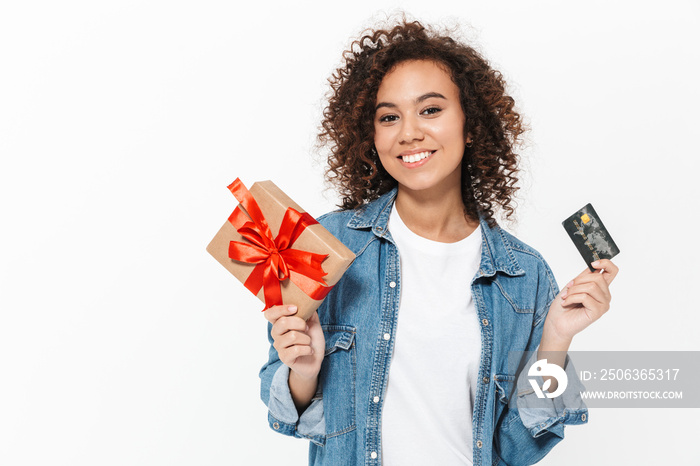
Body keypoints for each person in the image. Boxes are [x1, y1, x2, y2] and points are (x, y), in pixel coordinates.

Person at [258, 19, 618, 466]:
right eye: (389, 117)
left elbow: (518, 449)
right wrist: (304, 372)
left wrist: (556, 339)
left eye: (430, 110)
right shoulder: (324, 243)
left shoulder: (525, 275)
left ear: (471, 125)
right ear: (371, 137)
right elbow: (284, 411)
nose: (409, 132)